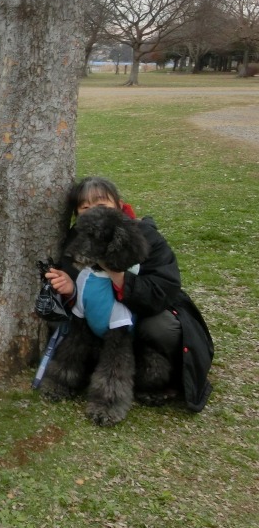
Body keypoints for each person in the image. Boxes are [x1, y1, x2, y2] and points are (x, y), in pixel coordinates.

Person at [41, 176, 213, 411]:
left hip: (142, 312)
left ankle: (115, 398)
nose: (93, 212)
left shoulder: (145, 236)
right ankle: (67, 379)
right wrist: (70, 287)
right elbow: (73, 271)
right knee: (73, 332)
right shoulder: (79, 238)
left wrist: (119, 277)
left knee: (158, 330)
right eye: (85, 208)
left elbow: (165, 286)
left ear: (119, 206)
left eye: (102, 205)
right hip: (92, 314)